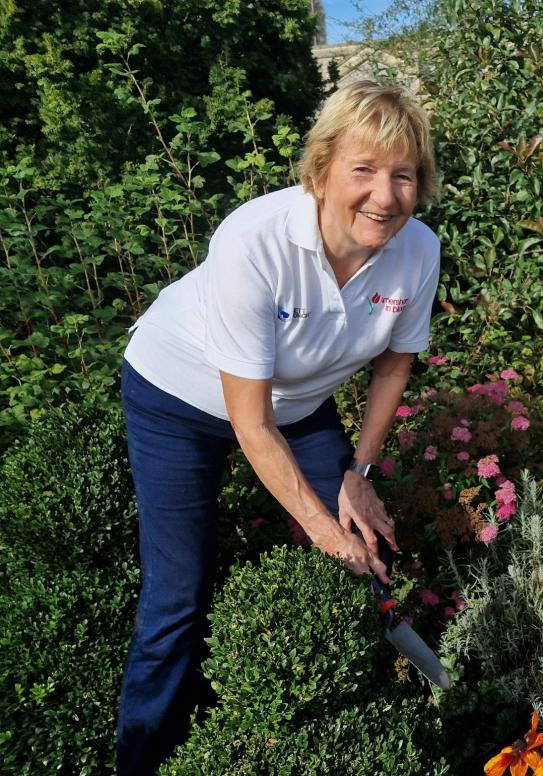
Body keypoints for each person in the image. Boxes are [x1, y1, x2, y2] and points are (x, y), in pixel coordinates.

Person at [115, 80, 440, 775]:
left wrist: (357, 477)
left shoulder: (417, 249)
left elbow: (392, 367)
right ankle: (142, 758)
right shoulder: (254, 239)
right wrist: (320, 526)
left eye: (403, 175)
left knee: (368, 550)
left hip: (295, 406)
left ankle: (370, 719)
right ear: (320, 170)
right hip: (178, 397)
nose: (384, 196)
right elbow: (250, 423)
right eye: (363, 171)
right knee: (177, 592)